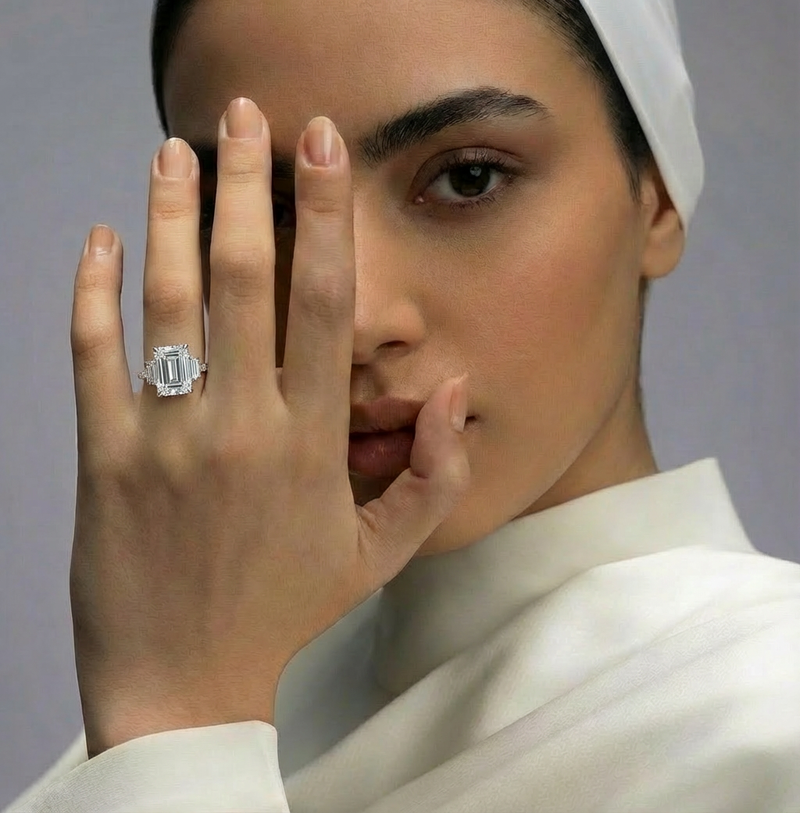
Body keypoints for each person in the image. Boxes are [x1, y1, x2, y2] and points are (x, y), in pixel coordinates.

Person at [5, 0, 800, 810]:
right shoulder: (217, 678)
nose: (353, 320)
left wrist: (178, 728)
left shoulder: (769, 721)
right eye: (264, 206)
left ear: (658, 195)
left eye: (468, 178)